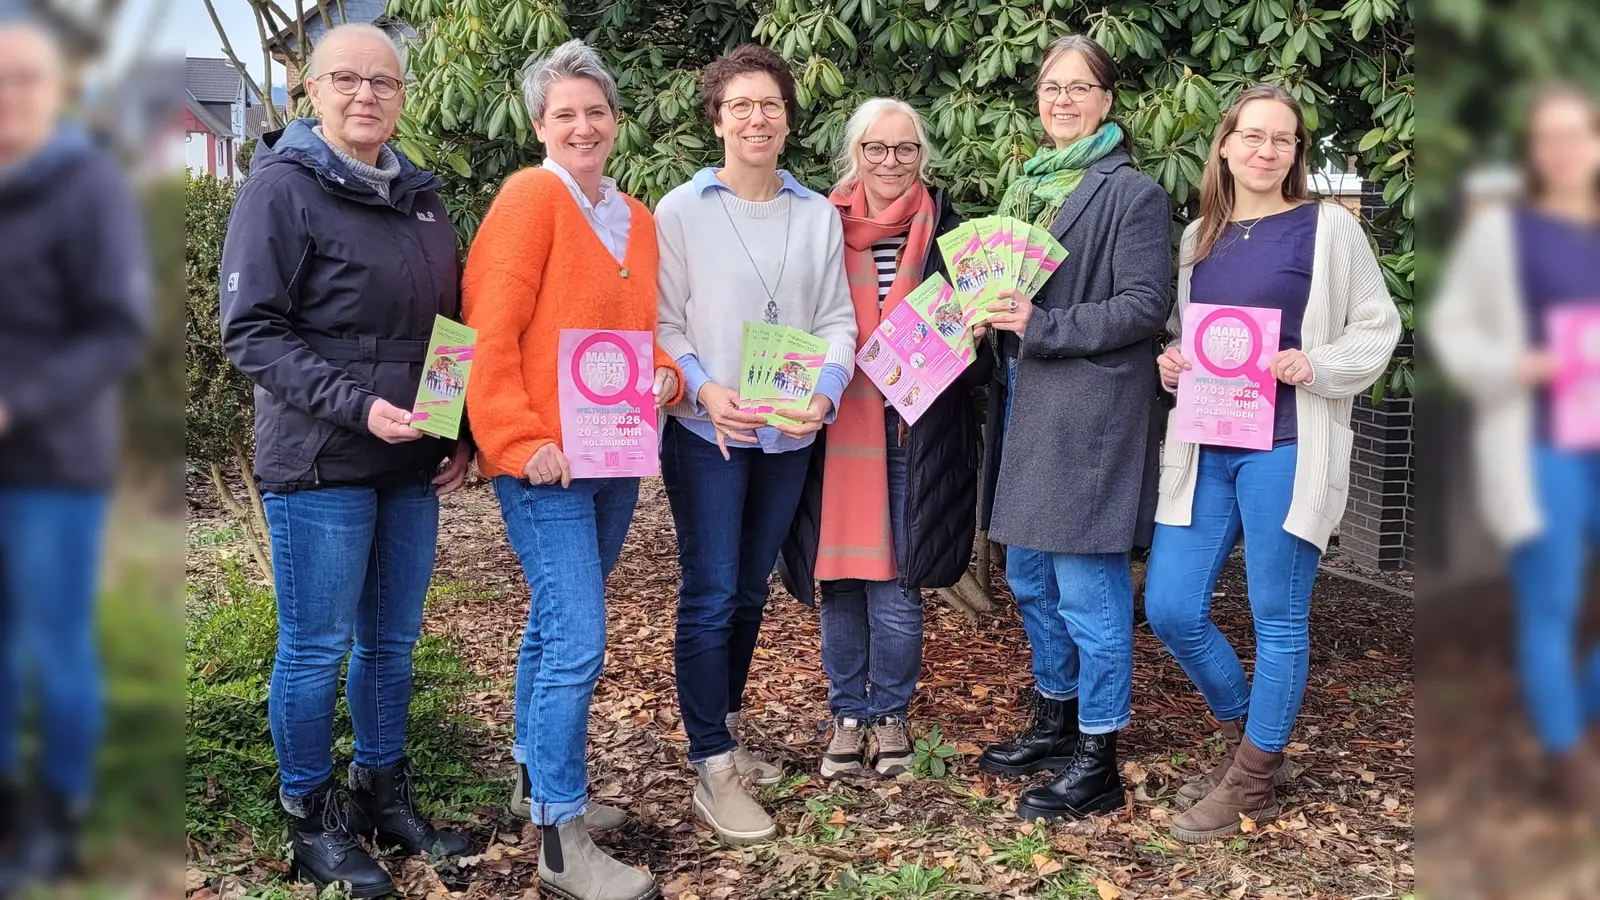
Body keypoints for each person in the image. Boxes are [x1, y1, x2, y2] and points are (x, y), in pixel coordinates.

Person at [219, 24, 473, 897]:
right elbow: (251, 332)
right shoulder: (280, 192)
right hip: (321, 458)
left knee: (391, 645)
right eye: (347, 79)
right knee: (317, 646)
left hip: (409, 462)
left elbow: (451, 326)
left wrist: (455, 431)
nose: (366, 95)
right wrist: (359, 406)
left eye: (384, 82)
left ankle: (380, 790)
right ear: (311, 92)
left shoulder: (422, 197)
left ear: (404, 96)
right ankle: (310, 815)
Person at [1146, 84, 1401, 842]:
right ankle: (1247, 739)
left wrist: (1312, 364)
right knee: (1172, 605)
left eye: (1282, 140)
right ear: (1223, 145)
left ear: (1296, 153)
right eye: (1251, 136)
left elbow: (1378, 325)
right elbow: (1189, 338)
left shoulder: (1327, 230)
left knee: (1277, 615)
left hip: (1287, 446)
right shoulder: (1199, 239)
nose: (1266, 150)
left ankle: (1253, 777)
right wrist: (1172, 363)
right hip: (1206, 445)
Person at [462, 39, 679, 900]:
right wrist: (513, 440)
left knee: (555, 627)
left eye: (596, 112)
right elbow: (489, 328)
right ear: (537, 124)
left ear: (616, 121)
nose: (583, 126)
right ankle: (561, 836)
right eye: (565, 114)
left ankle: (530, 781)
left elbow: (635, 327)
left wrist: (661, 371)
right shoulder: (528, 199)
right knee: (580, 641)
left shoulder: (636, 215)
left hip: (613, 454)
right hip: (545, 465)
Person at [654, 43, 857, 845]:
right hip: (710, 432)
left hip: (788, 435)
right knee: (708, 590)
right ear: (717, 118)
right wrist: (705, 389)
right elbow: (664, 323)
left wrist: (825, 392)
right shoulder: (681, 211)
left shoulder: (816, 215)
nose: (756, 117)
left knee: (748, 591)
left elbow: (838, 318)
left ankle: (725, 735)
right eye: (740, 105)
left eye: (769, 104)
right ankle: (711, 765)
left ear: (787, 117)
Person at [974, 34, 1171, 823]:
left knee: (1088, 591)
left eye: (1079, 88)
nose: (1062, 100)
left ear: (1107, 102)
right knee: (1027, 578)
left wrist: (1040, 323)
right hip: (1026, 403)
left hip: (1087, 411)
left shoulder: (1133, 194)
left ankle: (1100, 756)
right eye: (1051, 87)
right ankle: (1057, 720)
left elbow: (1143, 306)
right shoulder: (1028, 191)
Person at [777, 98, 987, 780]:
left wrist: (973, 342)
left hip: (911, 433)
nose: (890, 163)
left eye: (904, 150)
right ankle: (846, 714)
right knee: (837, 579)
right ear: (853, 154)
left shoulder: (953, 237)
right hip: (830, 427)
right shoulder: (816, 225)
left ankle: (891, 714)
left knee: (897, 585)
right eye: (876, 149)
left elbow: (978, 364)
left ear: (922, 156)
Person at [0, 20, 150, 892]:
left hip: (52, 464)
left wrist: (22, 402)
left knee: (51, 643)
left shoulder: (87, 186)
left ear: (58, 93)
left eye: (27, 81)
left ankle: (58, 813)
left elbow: (116, 331)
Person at [1431, 85, 1600, 812]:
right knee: (1552, 605)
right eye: (1547, 139)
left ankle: (1572, 714)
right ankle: (1566, 759)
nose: (1562, 151)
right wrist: (1514, 365)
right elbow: (1452, 327)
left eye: (1575, 135)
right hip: (1540, 446)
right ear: (1534, 153)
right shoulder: (1504, 234)